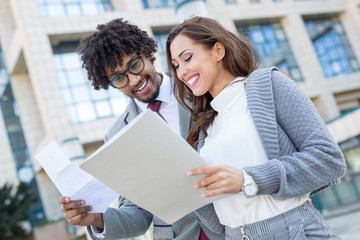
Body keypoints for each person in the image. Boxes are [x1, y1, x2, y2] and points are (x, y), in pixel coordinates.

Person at [166, 16, 346, 239]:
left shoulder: (267, 85)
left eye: (187, 58)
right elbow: (217, 216)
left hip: (291, 230)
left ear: (218, 51)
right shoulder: (204, 126)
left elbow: (329, 160)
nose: (181, 72)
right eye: (175, 66)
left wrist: (248, 179)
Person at [58, 18, 213, 240]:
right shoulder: (117, 135)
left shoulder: (197, 88)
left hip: (235, 222)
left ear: (147, 53)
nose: (133, 80)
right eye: (119, 78)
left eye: (134, 65)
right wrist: (96, 219)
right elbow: (138, 213)